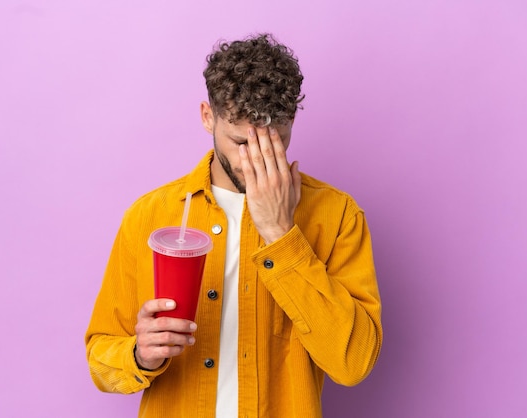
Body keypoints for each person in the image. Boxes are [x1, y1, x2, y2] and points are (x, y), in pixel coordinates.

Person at [85, 33, 382, 418]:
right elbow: (99, 359)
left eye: (274, 140)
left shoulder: (338, 215)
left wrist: (280, 234)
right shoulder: (150, 215)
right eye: (241, 142)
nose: (252, 161)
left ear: (291, 120)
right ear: (208, 116)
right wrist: (140, 355)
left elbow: (353, 363)